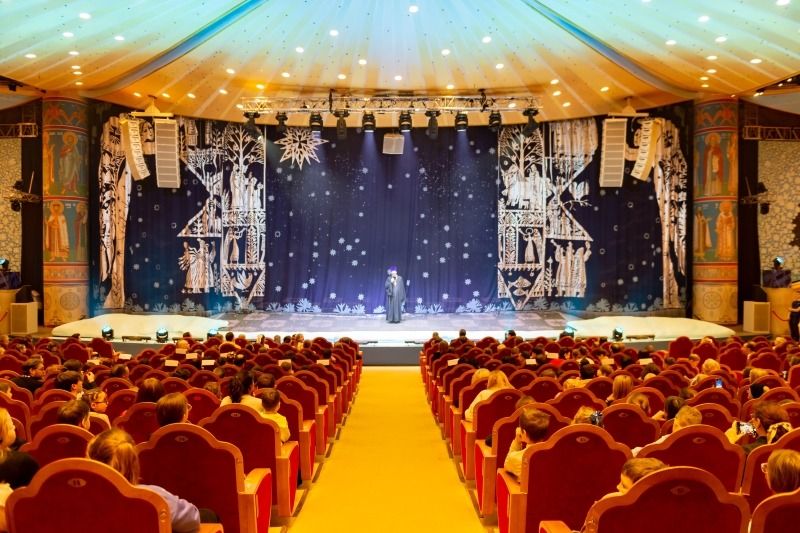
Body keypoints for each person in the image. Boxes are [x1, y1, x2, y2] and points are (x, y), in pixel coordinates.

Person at [86, 428, 202, 533]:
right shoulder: (152, 498)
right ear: (133, 463)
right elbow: (192, 520)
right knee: (207, 515)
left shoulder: (79, 497)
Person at [726, 401, 791, 454]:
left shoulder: (747, 451)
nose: (751, 420)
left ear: (758, 422)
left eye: (753, 417)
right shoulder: (790, 447)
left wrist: (730, 439)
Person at [503, 408, 551, 478]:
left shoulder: (517, 458)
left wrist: (517, 441)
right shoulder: (553, 454)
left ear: (524, 433)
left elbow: (507, 465)